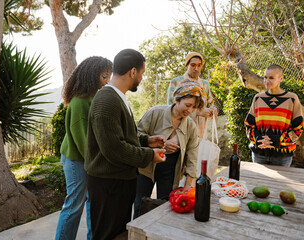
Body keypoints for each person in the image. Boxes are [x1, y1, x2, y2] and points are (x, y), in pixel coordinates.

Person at [84, 49, 166, 240]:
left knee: (119, 234)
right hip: (108, 186)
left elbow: (120, 136)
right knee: (107, 235)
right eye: (142, 73)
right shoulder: (107, 100)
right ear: (132, 72)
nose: (142, 78)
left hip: (118, 183)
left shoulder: (117, 97)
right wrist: (149, 155)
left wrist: (147, 141)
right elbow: (114, 149)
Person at [55, 56, 113, 240]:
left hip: (88, 158)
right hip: (76, 159)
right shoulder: (80, 101)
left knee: (92, 203)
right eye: (104, 76)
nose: (107, 81)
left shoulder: (95, 96)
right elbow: (82, 141)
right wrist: (96, 164)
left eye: (109, 76)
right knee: (74, 205)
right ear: (92, 75)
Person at [133, 82, 202, 218]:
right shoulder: (155, 113)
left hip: (171, 168)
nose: (190, 110)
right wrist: (158, 144)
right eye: (187, 105)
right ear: (176, 100)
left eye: (194, 107)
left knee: (165, 206)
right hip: (147, 164)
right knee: (140, 204)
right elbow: (135, 135)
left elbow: (192, 156)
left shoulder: (191, 126)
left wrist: (188, 184)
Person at [244, 64, 304, 166]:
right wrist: (258, 139)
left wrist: (274, 141)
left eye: (271, 78)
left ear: (281, 78)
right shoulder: (258, 98)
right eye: (265, 77)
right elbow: (249, 125)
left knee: (281, 183)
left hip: (282, 156)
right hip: (259, 153)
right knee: (259, 182)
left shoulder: (292, 99)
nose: (267, 81)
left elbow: (298, 128)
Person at [167, 52, 218, 138]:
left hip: (200, 134)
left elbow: (210, 104)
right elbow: (171, 107)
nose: (196, 68)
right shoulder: (176, 82)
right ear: (187, 66)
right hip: (180, 132)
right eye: (193, 65)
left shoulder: (205, 85)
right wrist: (197, 112)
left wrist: (213, 110)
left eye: (199, 65)